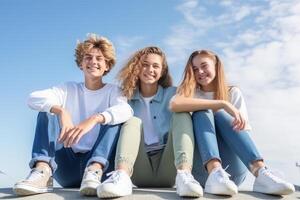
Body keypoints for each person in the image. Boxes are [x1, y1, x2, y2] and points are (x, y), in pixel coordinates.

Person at [13, 34, 133, 196]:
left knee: (114, 118)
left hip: (99, 169)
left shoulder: (113, 91)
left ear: (107, 65)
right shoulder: (68, 89)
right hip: (66, 166)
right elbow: (33, 98)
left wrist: (95, 118)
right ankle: (42, 170)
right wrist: (61, 111)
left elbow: (126, 110)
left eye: (99, 58)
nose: (93, 62)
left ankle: (94, 169)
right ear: (81, 64)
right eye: (88, 57)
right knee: (47, 111)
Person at [170, 49, 295, 196]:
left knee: (220, 115)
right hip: (201, 172)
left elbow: (242, 133)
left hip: (233, 172)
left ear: (216, 67)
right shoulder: (190, 94)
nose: (200, 72)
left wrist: (222, 106)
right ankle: (215, 171)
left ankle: (261, 172)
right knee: (203, 112)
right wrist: (222, 103)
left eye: (204, 66)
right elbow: (174, 104)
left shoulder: (233, 93)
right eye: (195, 69)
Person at [97, 46, 203, 198]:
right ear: (136, 68)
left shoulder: (173, 94)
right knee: (131, 120)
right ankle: (121, 175)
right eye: (145, 64)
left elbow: (200, 100)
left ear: (162, 71)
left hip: (170, 168)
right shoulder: (124, 97)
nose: (149, 69)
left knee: (182, 114)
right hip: (139, 170)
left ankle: (185, 175)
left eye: (155, 66)